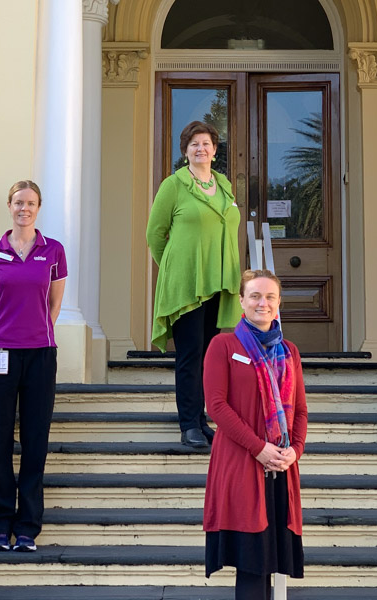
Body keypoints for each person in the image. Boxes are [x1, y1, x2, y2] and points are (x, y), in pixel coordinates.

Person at [203, 269, 307, 600]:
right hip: (240, 464)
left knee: (268, 561)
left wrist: (295, 451)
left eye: (270, 297)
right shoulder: (223, 345)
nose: (262, 303)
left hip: (280, 468)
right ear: (242, 302)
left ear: (278, 304)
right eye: (255, 296)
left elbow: (301, 411)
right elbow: (217, 407)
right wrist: (258, 447)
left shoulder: (289, 352)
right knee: (250, 564)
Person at [0, 180, 67, 552]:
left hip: (41, 354)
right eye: (18, 202)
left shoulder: (55, 250)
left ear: (39, 207)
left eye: (30, 203)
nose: (23, 208)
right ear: (9, 206)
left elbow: (54, 304)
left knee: (34, 439)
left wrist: (34, 334)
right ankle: (0, 524)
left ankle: (28, 526)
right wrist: (0, 337)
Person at [146, 121, 241, 448]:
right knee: (190, 354)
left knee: (208, 355)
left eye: (207, 144)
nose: (201, 149)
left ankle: (201, 420)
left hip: (217, 282)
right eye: (194, 144)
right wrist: (175, 267)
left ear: (215, 150)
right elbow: (154, 235)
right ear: (185, 151)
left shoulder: (225, 185)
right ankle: (188, 423)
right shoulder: (174, 185)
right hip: (187, 284)